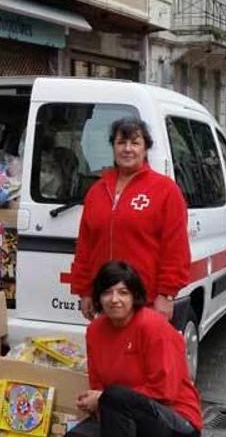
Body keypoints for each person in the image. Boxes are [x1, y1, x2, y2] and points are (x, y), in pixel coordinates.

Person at [68, 117, 190, 322]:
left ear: (145, 148)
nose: (127, 149)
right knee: (108, 353)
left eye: (135, 143)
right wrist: (84, 291)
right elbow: (85, 247)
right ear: (113, 147)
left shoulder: (166, 190)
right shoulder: (97, 191)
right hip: (108, 300)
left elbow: (175, 248)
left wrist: (166, 294)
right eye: (121, 142)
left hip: (147, 302)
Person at [68, 261, 202, 437]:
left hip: (175, 419)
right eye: (107, 292)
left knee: (114, 396)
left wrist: (101, 399)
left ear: (134, 296)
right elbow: (97, 384)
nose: (114, 299)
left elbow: (164, 391)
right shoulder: (94, 331)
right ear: (98, 298)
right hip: (120, 414)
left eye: (123, 292)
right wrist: (94, 401)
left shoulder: (153, 326)